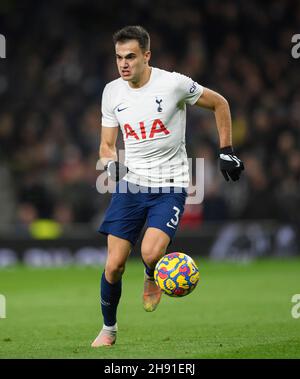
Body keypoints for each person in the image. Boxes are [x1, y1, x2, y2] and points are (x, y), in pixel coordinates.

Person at [91, 25, 244, 347]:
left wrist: (227, 151)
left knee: (150, 251)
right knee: (114, 264)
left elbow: (221, 103)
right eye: (119, 57)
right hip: (131, 185)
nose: (124, 64)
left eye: (130, 56)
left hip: (169, 185)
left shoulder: (173, 84)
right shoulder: (111, 92)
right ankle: (109, 329)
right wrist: (109, 163)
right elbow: (106, 145)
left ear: (147, 55)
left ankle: (151, 274)